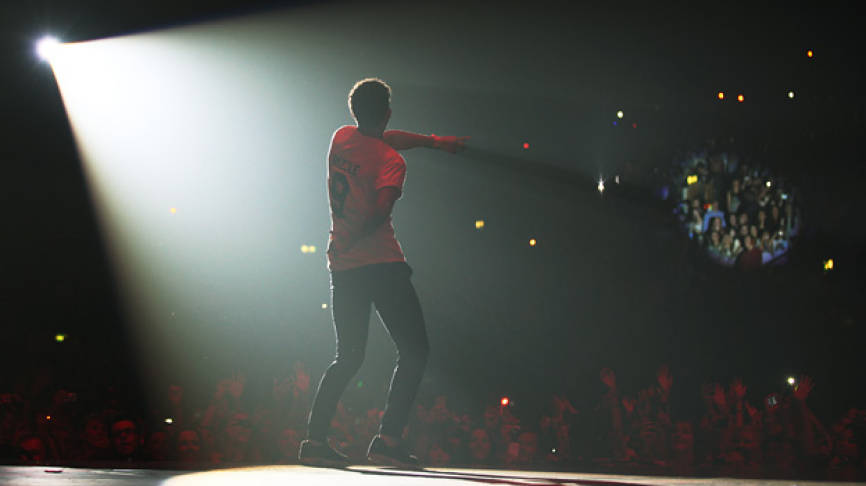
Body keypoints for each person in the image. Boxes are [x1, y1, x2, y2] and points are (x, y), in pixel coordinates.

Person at [299, 78, 468, 468]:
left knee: (348, 356)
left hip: (343, 266)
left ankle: (314, 441)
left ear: (354, 110)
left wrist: (434, 142)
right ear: (388, 113)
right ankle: (388, 440)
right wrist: (354, 238)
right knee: (415, 350)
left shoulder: (342, 138)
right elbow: (380, 212)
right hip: (380, 264)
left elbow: (383, 139)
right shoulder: (392, 161)